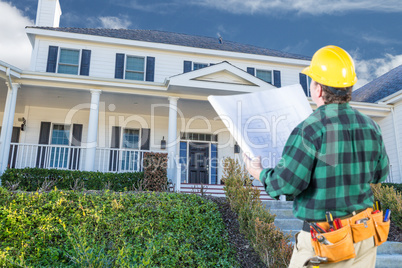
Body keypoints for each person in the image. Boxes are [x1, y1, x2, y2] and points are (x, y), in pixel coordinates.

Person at [243, 45, 389, 267]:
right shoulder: (371, 127)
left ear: (318, 89)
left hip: (327, 242)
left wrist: (259, 172)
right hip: (365, 234)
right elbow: (379, 174)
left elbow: (285, 184)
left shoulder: (311, 129)